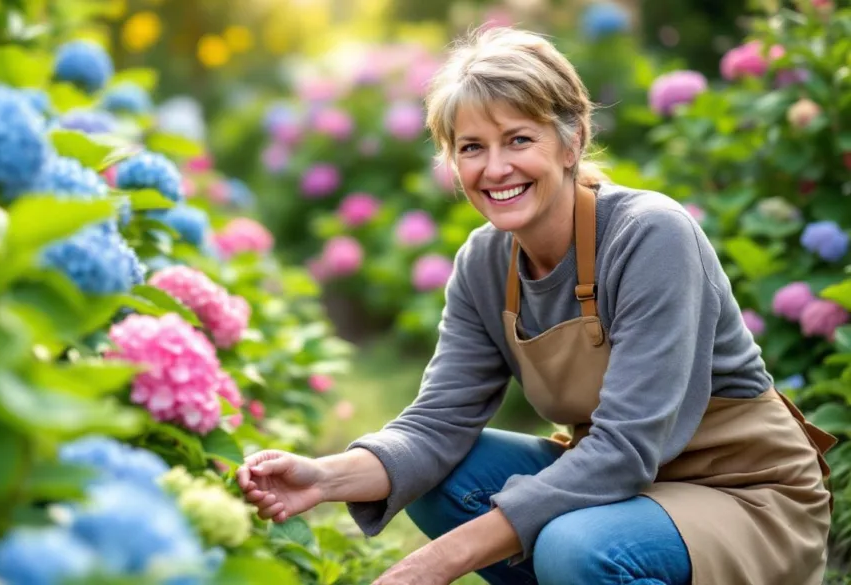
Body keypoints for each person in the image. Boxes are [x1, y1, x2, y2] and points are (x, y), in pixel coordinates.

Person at [237, 26, 836, 585]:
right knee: (427, 471)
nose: (495, 169)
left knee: (575, 548)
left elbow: (625, 447)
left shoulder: (649, 235)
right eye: (471, 147)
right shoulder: (484, 263)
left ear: (571, 139)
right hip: (623, 491)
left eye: (519, 139)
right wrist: (324, 477)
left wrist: (440, 561)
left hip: (744, 493)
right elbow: (437, 423)